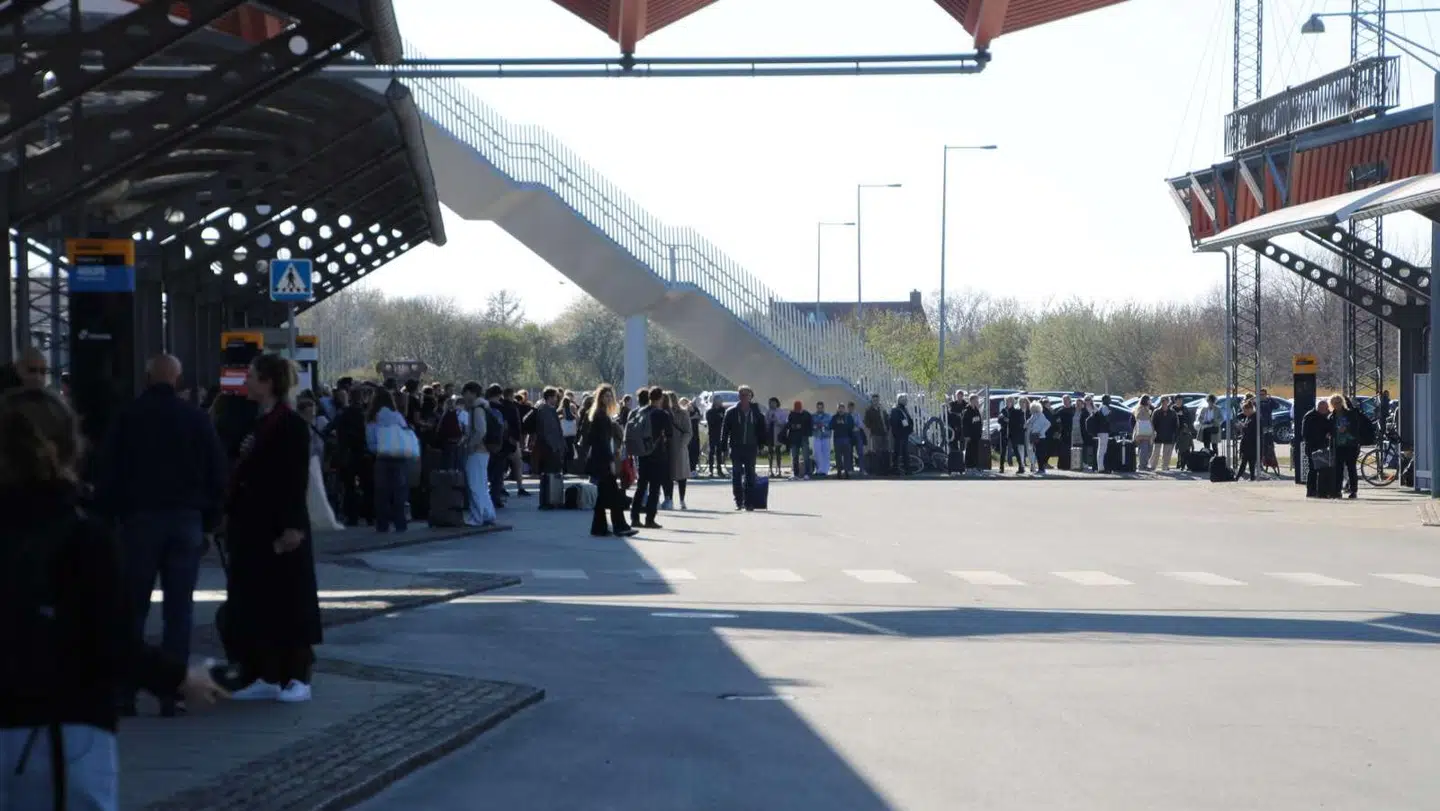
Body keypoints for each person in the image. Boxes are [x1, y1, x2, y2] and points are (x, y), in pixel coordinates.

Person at [0, 388, 226, 809]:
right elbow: (110, 639)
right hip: (63, 728)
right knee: (178, 606)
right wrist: (178, 679)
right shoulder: (80, 536)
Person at [94, 354, 228, 717]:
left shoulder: (128, 417)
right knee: (179, 609)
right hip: (186, 520)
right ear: (178, 379)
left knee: (133, 606)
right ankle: (173, 692)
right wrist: (210, 520)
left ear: (147, 377)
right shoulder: (196, 419)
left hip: (139, 521)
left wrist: (107, 517)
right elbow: (218, 472)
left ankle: (125, 691)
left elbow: (107, 470)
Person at [223, 354, 322, 703]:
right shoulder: (255, 421)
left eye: (251, 376)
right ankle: (265, 672)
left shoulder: (290, 425)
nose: (245, 382)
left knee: (288, 600)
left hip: (280, 527)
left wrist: (292, 526)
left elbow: (294, 479)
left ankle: (297, 676)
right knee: (255, 601)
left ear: (267, 382)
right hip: (252, 526)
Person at [583, 385, 636, 537]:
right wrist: (611, 461)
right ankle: (620, 526)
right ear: (600, 398)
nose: (608, 398)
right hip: (603, 461)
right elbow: (603, 442)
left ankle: (598, 528)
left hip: (598, 460)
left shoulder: (597, 414)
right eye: (605, 396)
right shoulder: (602, 416)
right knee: (613, 494)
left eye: (610, 396)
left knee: (602, 496)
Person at [721, 385, 768, 510]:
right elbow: (725, 431)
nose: (744, 397)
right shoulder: (731, 412)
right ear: (739, 396)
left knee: (750, 475)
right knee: (736, 474)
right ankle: (738, 501)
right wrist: (723, 447)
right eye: (742, 395)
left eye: (747, 395)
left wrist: (762, 444)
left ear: (751, 396)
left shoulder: (756, 412)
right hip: (736, 447)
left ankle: (749, 502)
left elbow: (762, 429)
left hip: (751, 447)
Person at [1302, 399, 1334, 498]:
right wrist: (1323, 436)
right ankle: (1311, 490)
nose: (1325, 410)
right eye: (1323, 408)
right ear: (1318, 407)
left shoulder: (1326, 416)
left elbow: (1329, 428)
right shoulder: (1310, 416)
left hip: (1323, 446)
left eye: (1326, 408)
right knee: (1313, 469)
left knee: (1322, 469)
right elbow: (1305, 433)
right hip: (1312, 447)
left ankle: (1321, 490)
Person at [665, 392, 691, 510]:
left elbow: (688, 431)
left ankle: (682, 499)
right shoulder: (663, 413)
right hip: (666, 447)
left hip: (679, 448)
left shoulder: (683, 413)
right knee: (667, 476)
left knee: (681, 476)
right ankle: (669, 499)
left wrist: (682, 445)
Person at [786, 400, 813, 480]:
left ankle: (807, 473)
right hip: (794, 438)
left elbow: (810, 425)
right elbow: (788, 425)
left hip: (804, 437)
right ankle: (796, 474)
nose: (797, 410)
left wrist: (802, 427)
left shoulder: (806, 414)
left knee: (806, 456)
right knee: (795, 457)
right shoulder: (792, 414)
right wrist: (794, 426)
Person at [830, 403, 857, 479]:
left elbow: (852, 426)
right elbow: (830, 426)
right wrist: (837, 423)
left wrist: (844, 424)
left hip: (846, 438)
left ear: (844, 409)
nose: (841, 409)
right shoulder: (834, 417)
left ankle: (846, 472)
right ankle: (839, 472)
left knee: (847, 456)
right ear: (837, 409)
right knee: (838, 456)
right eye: (839, 408)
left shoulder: (848, 416)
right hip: (837, 439)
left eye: (842, 408)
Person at [705, 397, 727, 477]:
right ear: (715, 402)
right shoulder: (710, 411)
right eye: (719, 401)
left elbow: (723, 420)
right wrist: (718, 417)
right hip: (712, 434)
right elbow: (711, 422)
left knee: (719, 453)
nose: (721, 402)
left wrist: (719, 417)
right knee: (711, 452)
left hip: (720, 434)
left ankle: (719, 470)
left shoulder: (723, 410)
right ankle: (710, 470)